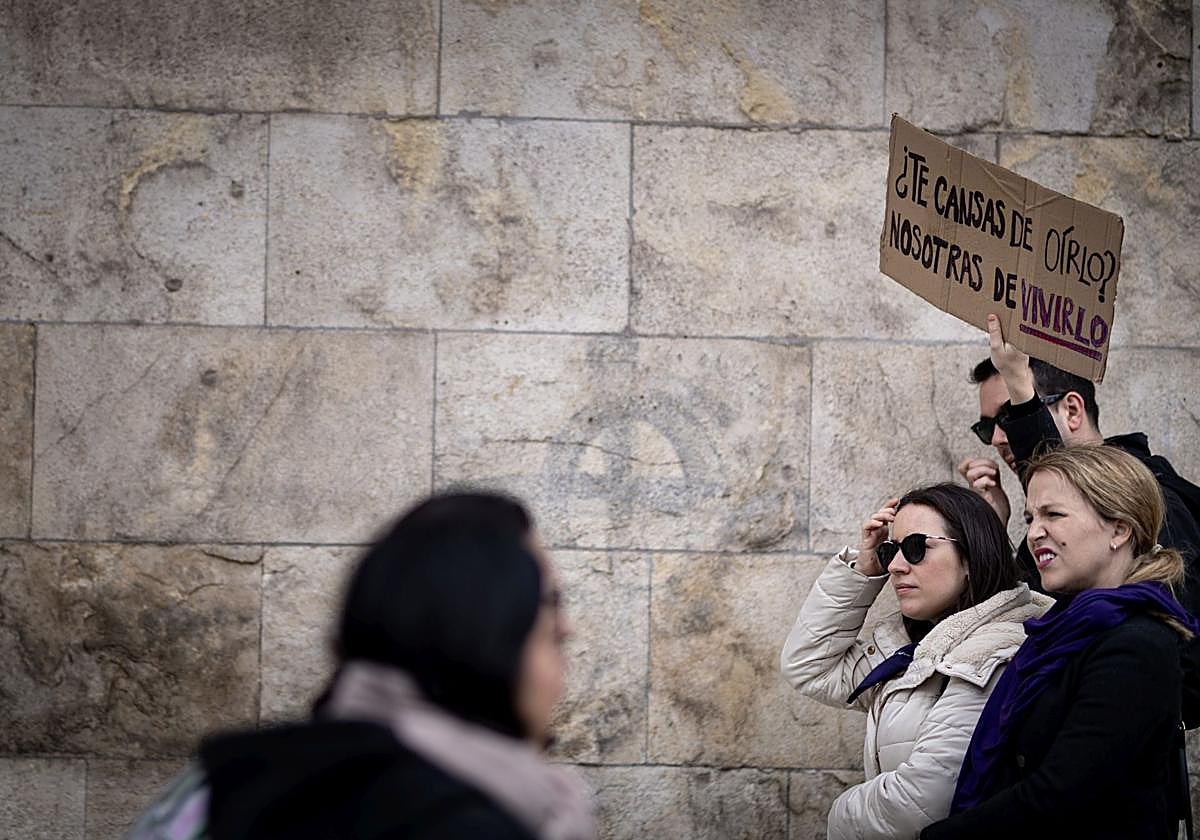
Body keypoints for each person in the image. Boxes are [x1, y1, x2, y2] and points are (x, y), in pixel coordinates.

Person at [128, 492, 595, 840]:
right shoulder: (463, 823)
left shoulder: (218, 783)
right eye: (550, 603)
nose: (568, 628)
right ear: (485, 623)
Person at [921, 445, 1199, 840]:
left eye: (1054, 514)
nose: (1034, 533)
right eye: (1031, 517)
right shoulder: (1058, 631)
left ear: (1119, 529)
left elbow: (1058, 794)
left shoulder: (1138, 647)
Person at [781, 483, 1051, 840]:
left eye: (915, 547)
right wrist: (864, 566)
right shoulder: (916, 643)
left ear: (971, 555)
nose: (894, 565)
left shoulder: (992, 649)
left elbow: (922, 803)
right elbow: (810, 666)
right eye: (890, 550)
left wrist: (838, 816)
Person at [959, 314, 1200, 598]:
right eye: (987, 427)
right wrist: (990, 529)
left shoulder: (1159, 501)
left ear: (1072, 410)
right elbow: (1015, 618)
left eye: (1011, 415)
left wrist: (1020, 388)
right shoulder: (1047, 535)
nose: (998, 439)